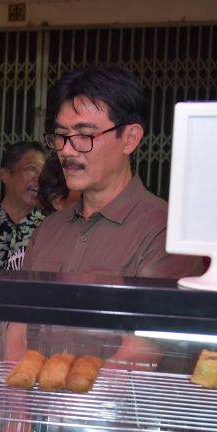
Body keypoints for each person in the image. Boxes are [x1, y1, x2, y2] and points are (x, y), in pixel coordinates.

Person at [24, 64, 202, 279]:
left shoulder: (165, 234)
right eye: (61, 134)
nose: (67, 150)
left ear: (130, 138)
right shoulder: (48, 231)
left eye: (85, 135)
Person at [0, 141, 47, 270]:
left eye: (43, 172)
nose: (40, 178)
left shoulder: (48, 227)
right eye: (31, 169)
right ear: (5, 175)